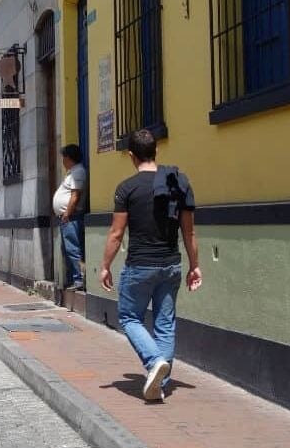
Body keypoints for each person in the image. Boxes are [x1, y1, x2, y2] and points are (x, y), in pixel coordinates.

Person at [99, 129, 202, 403]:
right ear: (156, 151)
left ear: (131, 155)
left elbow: (116, 233)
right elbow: (189, 233)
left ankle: (154, 361)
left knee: (129, 317)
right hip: (171, 265)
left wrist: (105, 265)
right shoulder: (177, 183)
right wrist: (195, 266)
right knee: (164, 324)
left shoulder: (126, 188)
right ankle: (160, 384)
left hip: (140, 266)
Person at [53, 144, 88, 291]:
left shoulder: (78, 172)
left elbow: (75, 195)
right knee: (69, 248)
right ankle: (75, 278)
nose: (62, 161)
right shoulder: (71, 172)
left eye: (64, 157)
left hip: (71, 217)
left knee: (73, 248)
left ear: (69, 158)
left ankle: (79, 280)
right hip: (68, 217)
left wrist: (67, 213)